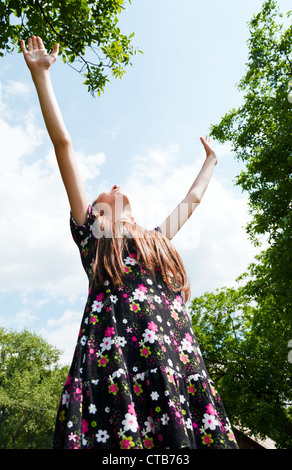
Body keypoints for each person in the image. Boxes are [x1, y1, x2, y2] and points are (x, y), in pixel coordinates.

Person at [20, 36, 238, 450]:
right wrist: (41, 76)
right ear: (97, 214)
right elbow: (63, 145)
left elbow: (191, 200)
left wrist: (210, 161)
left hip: (171, 357)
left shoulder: (155, 240)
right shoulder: (94, 237)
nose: (116, 185)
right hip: (117, 359)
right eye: (106, 193)